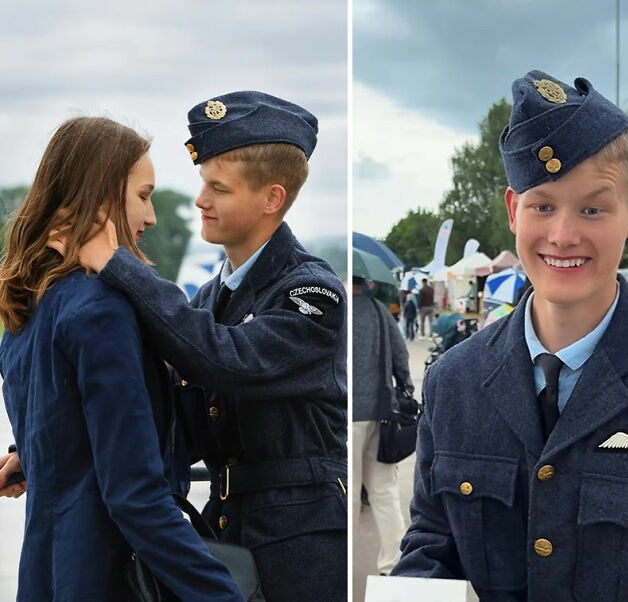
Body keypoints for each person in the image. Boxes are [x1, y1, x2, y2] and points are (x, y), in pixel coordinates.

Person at [393, 70, 628, 601]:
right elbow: (433, 545)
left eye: (592, 208)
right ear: (514, 211)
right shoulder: (452, 384)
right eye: (542, 205)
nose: (562, 235)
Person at [59, 92, 347, 602]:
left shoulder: (313, 293)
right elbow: (167, 413)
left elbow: (228, 360)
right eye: (202, 184)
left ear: (271, 199)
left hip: (300, 544)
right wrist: (50, 452)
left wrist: (117, 262)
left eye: (218, 188)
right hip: (227, 526)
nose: (200, 200)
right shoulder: (211, 299)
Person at [0, 117, 242, 601]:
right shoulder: (100, 310)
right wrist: (220, 593)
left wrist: (33, 456)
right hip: (107, 577)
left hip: (45, 573)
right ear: (105, 196)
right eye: (144, 195)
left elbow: (64, 429)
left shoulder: (25, 308)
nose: (151, 217)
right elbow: (135, 497)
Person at [352, 276, 413, 576]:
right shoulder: (377, 311)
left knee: (347, 494)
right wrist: (406, 389)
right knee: (384, 490)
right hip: (381, 412)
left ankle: (342, 567)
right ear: (367, 282)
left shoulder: (334, 307)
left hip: (344, 416)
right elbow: (400, 356)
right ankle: (395, 565)